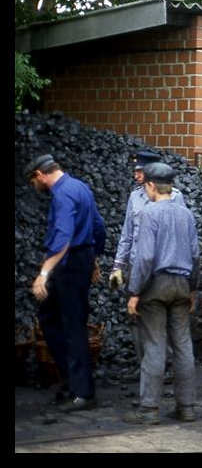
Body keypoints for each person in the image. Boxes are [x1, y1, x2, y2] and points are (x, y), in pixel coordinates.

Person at [24, 154, 107, 412]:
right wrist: (94, 258)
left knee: (72, 326)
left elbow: (63, 238)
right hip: (81, 259)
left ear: (40, 175)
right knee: (49, 319)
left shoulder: (61, 196)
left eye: (33, 181)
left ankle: (84, 393)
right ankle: (72, 379)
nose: (33, 187)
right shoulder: (80, 187)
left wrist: (44, 274)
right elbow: (98, 225)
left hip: (68, 264)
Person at [124, 162, 200, 425]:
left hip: (156, 286)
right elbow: (195, 255)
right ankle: (187, 408)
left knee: (154, 346)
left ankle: (148, 410)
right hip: (181, 285)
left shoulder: (149, 213)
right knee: (183, 345)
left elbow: (144, 258)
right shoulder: (186, 214)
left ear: (152, 185)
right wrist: (192, 289)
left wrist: (134, 292)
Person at [109, 150, 186, 380]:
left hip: (160, 267)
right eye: (135, 171)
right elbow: (127, 234)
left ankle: (167, 364)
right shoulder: (135, 197)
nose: (136, 175)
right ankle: (144, 364)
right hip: (137, 266)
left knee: (160, 319)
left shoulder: (176, 197)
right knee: (136, 318)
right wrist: (118, 266)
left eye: (140, 171)